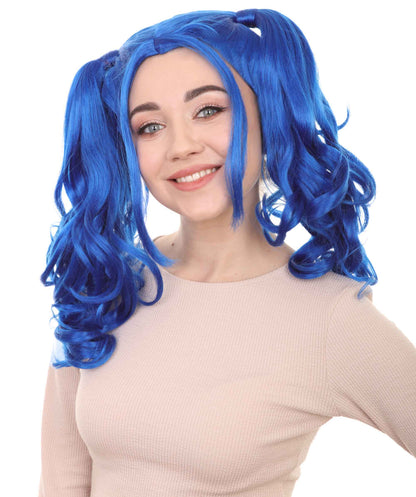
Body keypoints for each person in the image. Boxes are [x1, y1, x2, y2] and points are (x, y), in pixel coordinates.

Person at [38, 8, 416, 497]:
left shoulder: (330, 318)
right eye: (149, 127)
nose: (181, 146)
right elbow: (63, 480)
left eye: (208, 110)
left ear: (267, 115)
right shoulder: (103, 282)